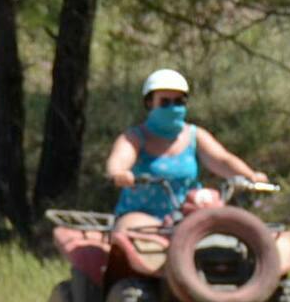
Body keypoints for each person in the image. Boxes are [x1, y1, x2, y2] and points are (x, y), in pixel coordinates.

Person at [104, 68, 268, 229]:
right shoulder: (134, 137)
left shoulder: (194, 135)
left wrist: (250, 176)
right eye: (165, 102)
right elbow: (119, 160)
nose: (173, 108)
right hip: (142, 217)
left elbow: (222, 160)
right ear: (149, 102)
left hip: (188, 217)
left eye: (179, 102)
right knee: (138, 233)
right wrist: (119, 174)